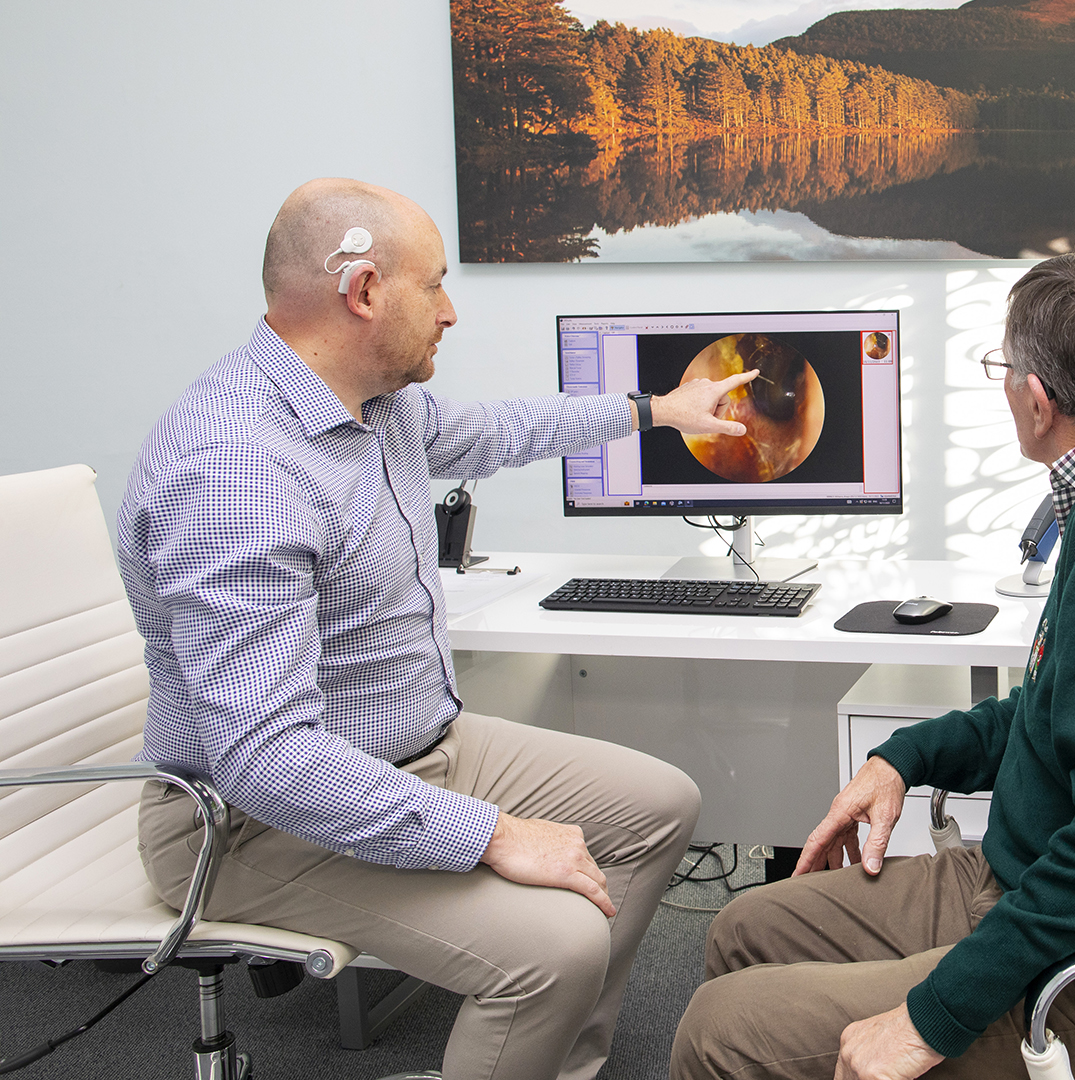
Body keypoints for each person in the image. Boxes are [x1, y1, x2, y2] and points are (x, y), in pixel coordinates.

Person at [119, 178, 756, 1080]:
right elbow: (266, 760)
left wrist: (654, 411)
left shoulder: (373, 405)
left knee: (660, 806)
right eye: (435, 286)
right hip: (247, 824)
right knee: (557, 947)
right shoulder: (239, 474)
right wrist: (492, 834)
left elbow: (494, 432)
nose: (450, 312)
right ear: (364, 291)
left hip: (418, 748)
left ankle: (549, 1063)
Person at [671, 252, 1075, 1080]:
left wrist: (930, 1019)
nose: (1005, 385)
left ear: (1039, 400)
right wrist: (903, 758)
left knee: (717, 1031)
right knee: (744, 929)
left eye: (1003, 368)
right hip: (1036, 885)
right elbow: (1062, 711)